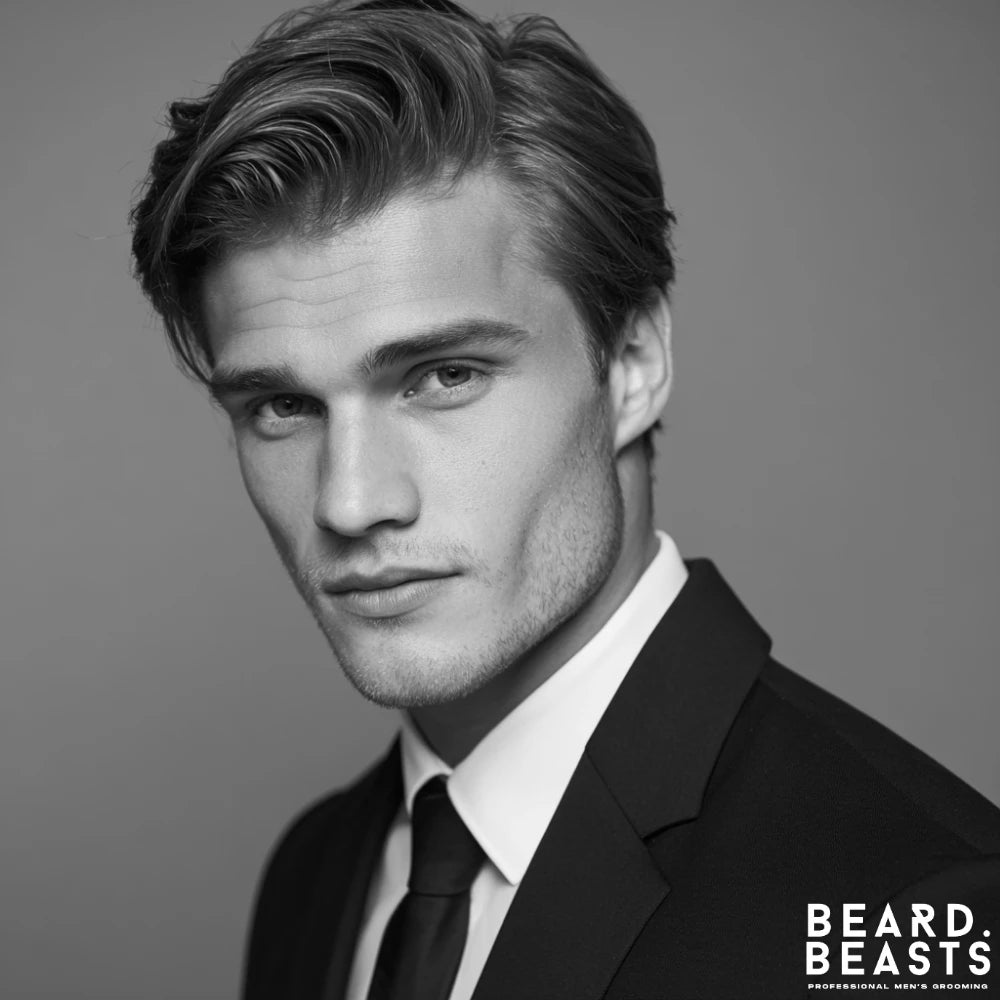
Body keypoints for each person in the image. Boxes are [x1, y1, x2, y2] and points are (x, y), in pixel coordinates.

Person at [129, 0, 1000, 996]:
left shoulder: (921, 907)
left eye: (443, 375)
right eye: (281, 404)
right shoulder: (319, 870)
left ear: (631, 363)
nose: (352, 500)